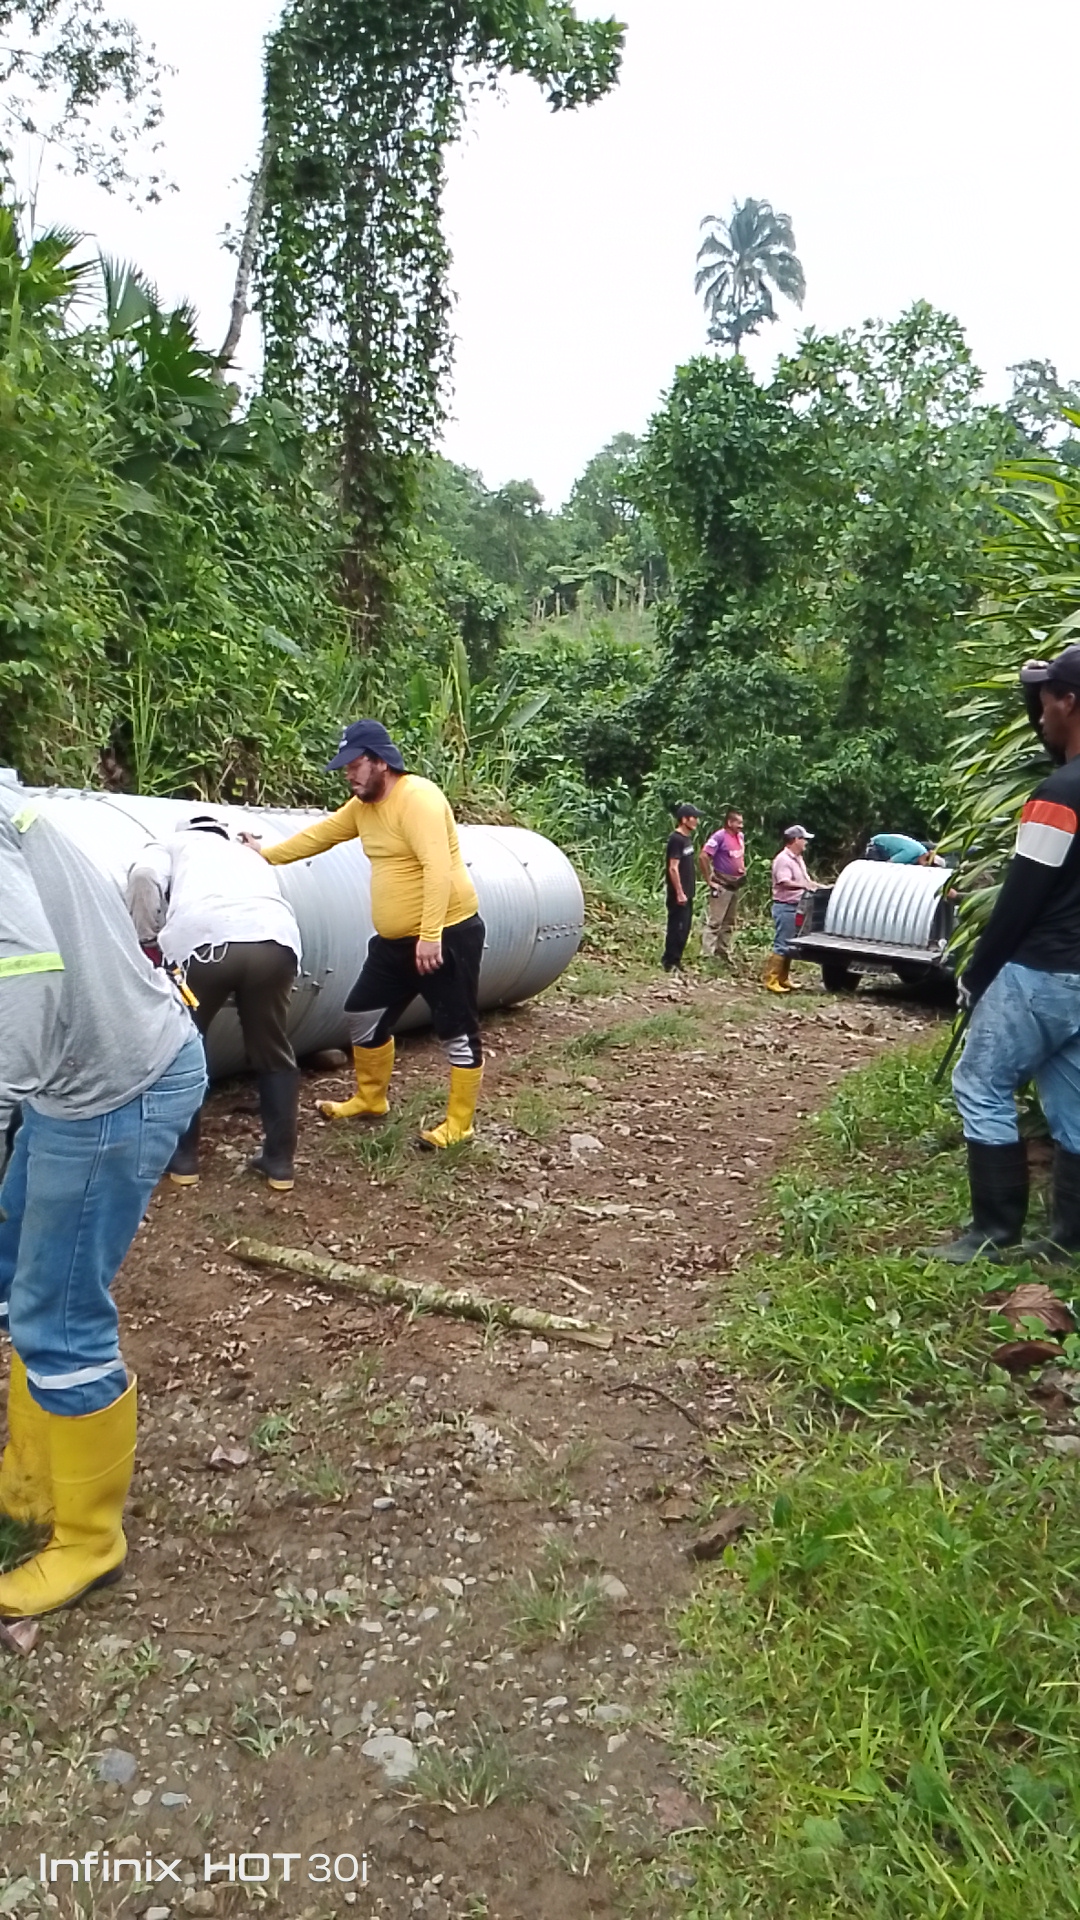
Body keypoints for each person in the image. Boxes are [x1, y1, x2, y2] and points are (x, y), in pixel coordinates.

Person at [0, 789, 205, 1617]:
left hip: (113, 1087)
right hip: (76, 1076)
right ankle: (29, 1485)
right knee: (17, 1276)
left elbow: (28, 975)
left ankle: (89, 1541)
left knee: (59, 1311)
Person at [249, 720, 485, 1150]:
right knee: (362, 1012)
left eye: (355, 765)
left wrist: (430, 934)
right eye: (345, 768)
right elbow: (320, 836)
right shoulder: (363, 806)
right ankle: (371, 1099)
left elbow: (437, 869)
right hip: (393, 943)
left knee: (456, 1027)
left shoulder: (418, 799)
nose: (349, 775)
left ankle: (459, 1124)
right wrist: (264, 855)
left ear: (380, 762)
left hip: (445, 933)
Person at [928, 647, 1080, 1263]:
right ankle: (1068, 1240)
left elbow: (1021, 896)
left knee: (982, 1083)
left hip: (1039, 972)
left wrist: (978, 971)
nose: (1039, 715)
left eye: (1045, 701)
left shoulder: (1059, 794)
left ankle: (992, 1231)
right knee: (1072, 1102)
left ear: (1069, 701)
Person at [126, 816, 303, 1192]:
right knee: (272, 1051)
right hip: (276, 943)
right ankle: (280, 1163)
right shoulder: (246, 853)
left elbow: (143, 876)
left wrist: (147, 941)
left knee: (183, 1045)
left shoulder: (172, 844)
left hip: (205, 945)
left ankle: (183, 1160)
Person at [767, 825, 817, 994]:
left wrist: (816, 886)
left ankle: (783, 978)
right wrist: (804, 886)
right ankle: (771, 979)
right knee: (782, 942)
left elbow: (805, 880)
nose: (806, 843)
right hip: (785, 906)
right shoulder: (783, 859)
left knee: (790, 943)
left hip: (797, 906)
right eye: (804, 839)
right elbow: (784, 881)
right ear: (795, 840)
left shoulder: (798, 859)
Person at [699, 808, 745, 963]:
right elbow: (703, 856)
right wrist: (709, 880)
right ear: (729, 822)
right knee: (715, 921)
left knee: (729, 922)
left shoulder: (740, 837)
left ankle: (722, 952)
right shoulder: (719, 837)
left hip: (735, 884)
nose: (741, 825)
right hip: (721, 883)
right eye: (738, 822)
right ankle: (707, 955)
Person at [662, 804, 699, 972]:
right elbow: (673, 867)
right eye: (694, 818)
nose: (696, 821)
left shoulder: (687, 839)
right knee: (677, 927)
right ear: (684, 819)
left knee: (685, 928)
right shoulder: (676, 839)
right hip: (679, 893)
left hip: (687, 891)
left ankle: (677, 959)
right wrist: (679, 892)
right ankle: (669, 961)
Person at [868, 833, 940, 866]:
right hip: (878, 844)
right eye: (927, 860)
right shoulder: (912, 852)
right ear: (926, 854)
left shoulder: (918, 854)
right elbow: (890, 863)